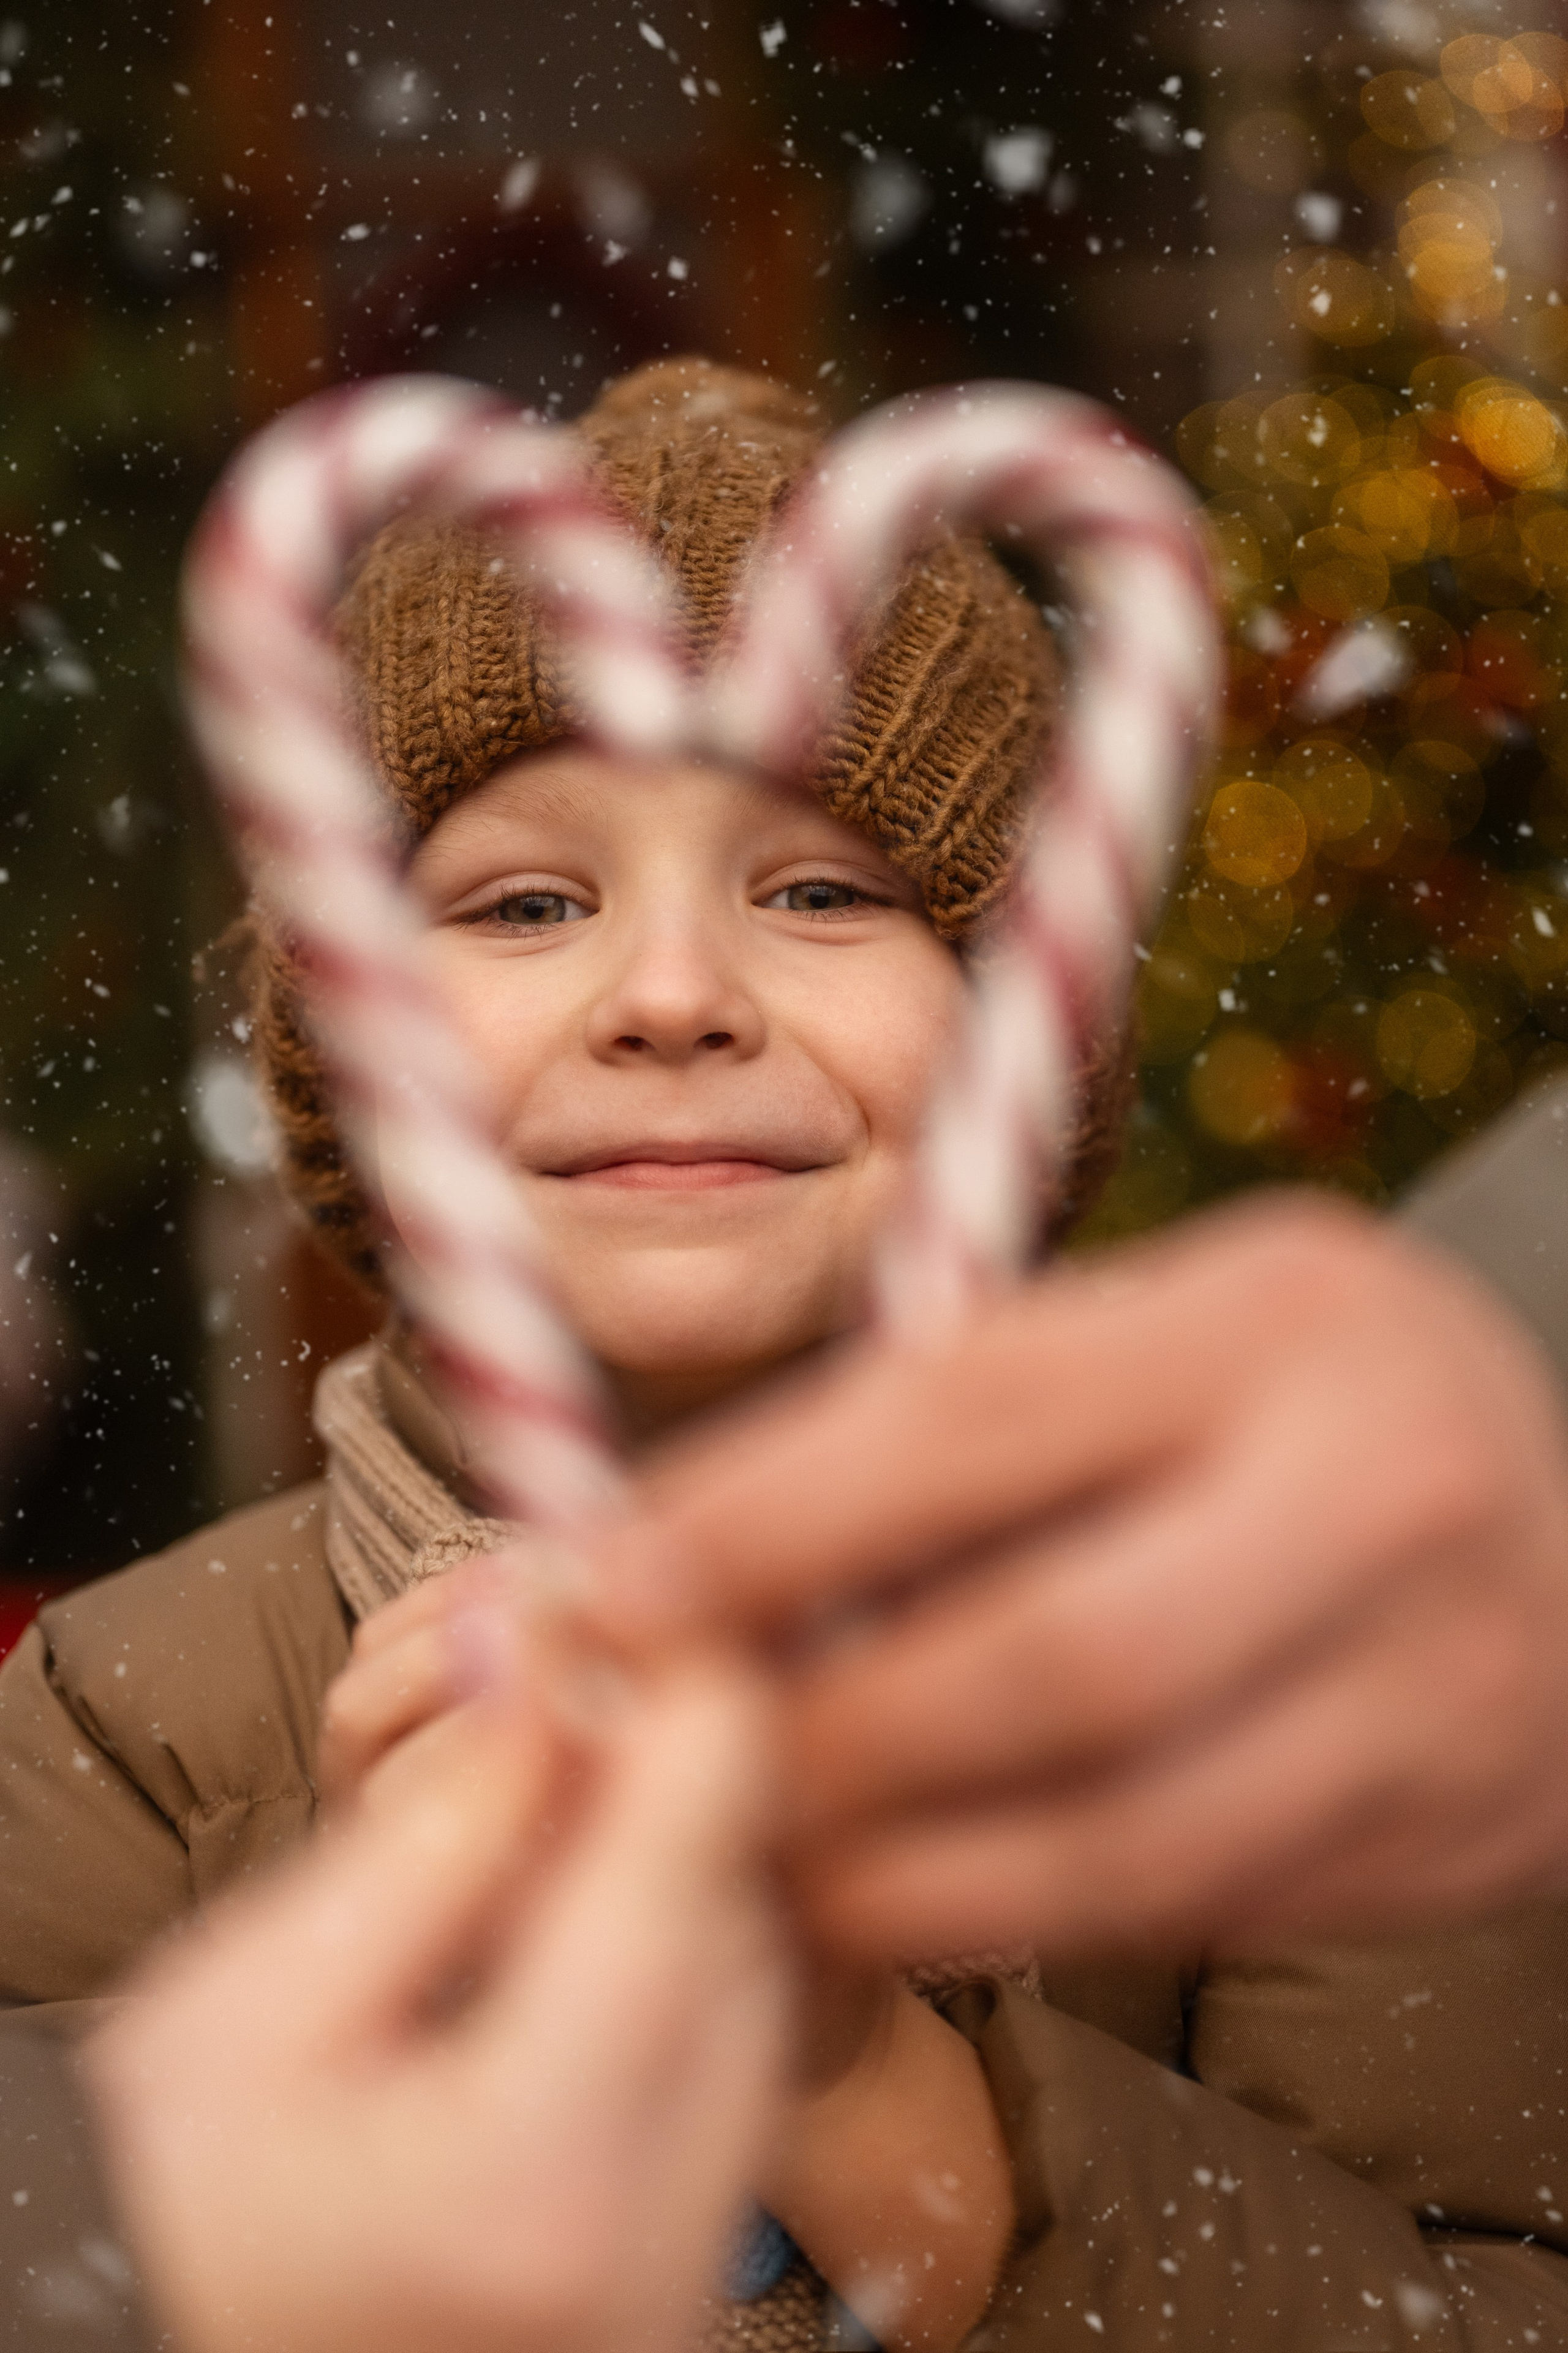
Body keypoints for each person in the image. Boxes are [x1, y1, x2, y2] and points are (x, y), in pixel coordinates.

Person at [3, 354, 1567, 2347]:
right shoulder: (129, 1720)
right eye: (529, 899)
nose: (671, 993)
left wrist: (862, 2085)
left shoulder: (1288, 1674)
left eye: (824, 888)